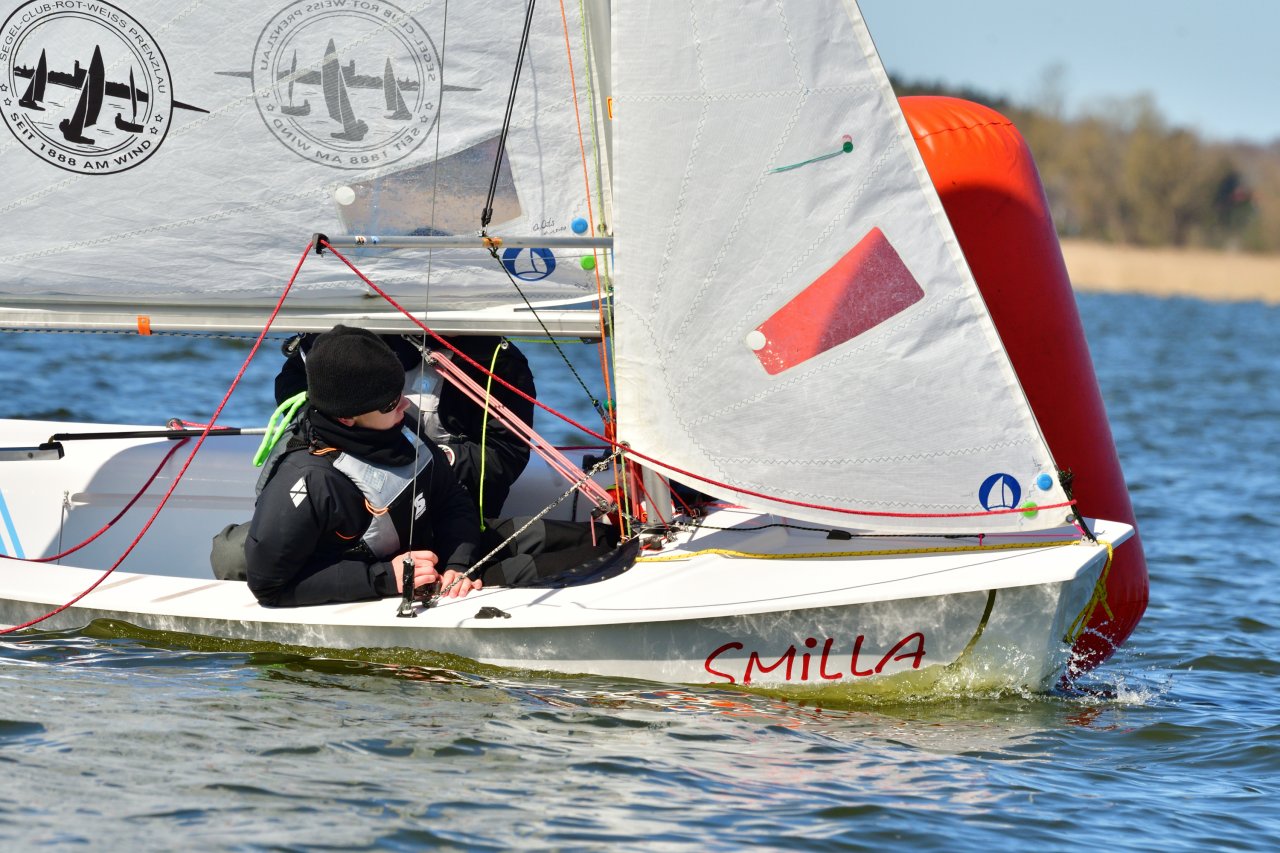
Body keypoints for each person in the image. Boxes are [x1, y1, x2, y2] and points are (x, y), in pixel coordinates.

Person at [244, 326, 482, 606]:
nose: (405, 405)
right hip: (371, 584)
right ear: (346, 417)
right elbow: (268, 587)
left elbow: (452, 498)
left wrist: (459, 562)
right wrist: (385, 578)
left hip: (433, 567)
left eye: (400, 393)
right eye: (390, 404)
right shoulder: (309, 477)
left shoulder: (403, 430)